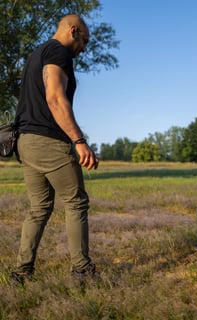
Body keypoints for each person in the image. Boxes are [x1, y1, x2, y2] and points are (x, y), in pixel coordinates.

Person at [11, 14, 99, 285]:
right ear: (73, 31)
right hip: (48, 141)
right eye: (84, 41)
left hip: (25, 141)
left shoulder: (36, 54)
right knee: (76, 202)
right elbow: (55, 98)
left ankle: (22, 272)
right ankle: (82, 272)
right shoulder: (58, 52)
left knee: (39, 208)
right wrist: (79, 140)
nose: (83, 48)